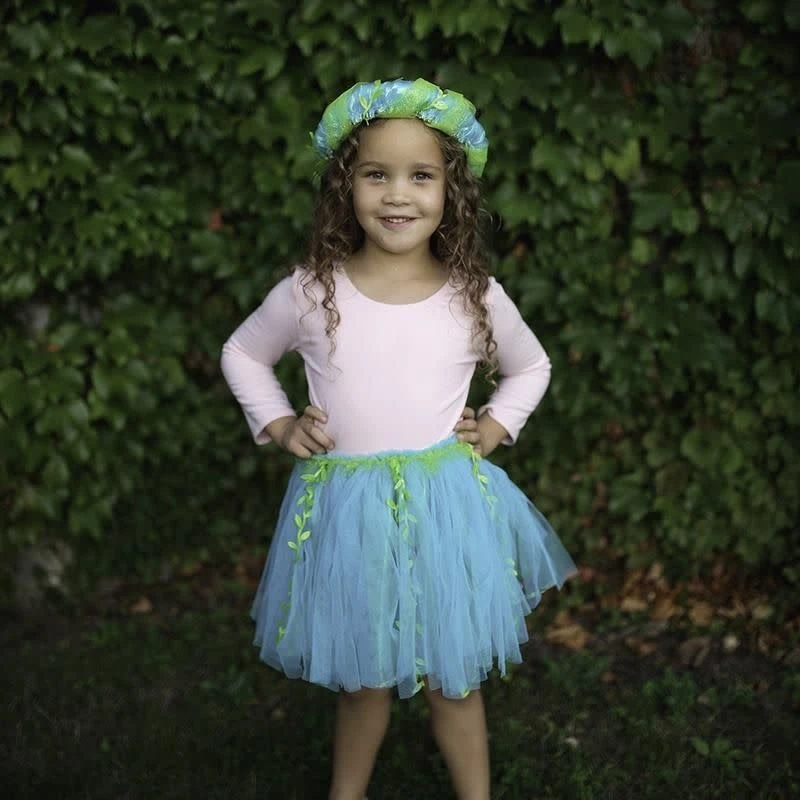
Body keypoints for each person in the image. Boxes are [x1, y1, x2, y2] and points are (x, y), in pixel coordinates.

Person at [221, 78, 577, 800]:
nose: (397, 195)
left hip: (446, 510)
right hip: (349, 517)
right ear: (345, 186)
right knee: (364, 678)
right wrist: (280, 422)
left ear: (451, 191)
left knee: (455, 679)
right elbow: (243, 352)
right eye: (375, 174)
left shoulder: (473, 295)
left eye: (421, 176)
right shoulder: (312, 292)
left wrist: (496, 425)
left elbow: (531, 365)